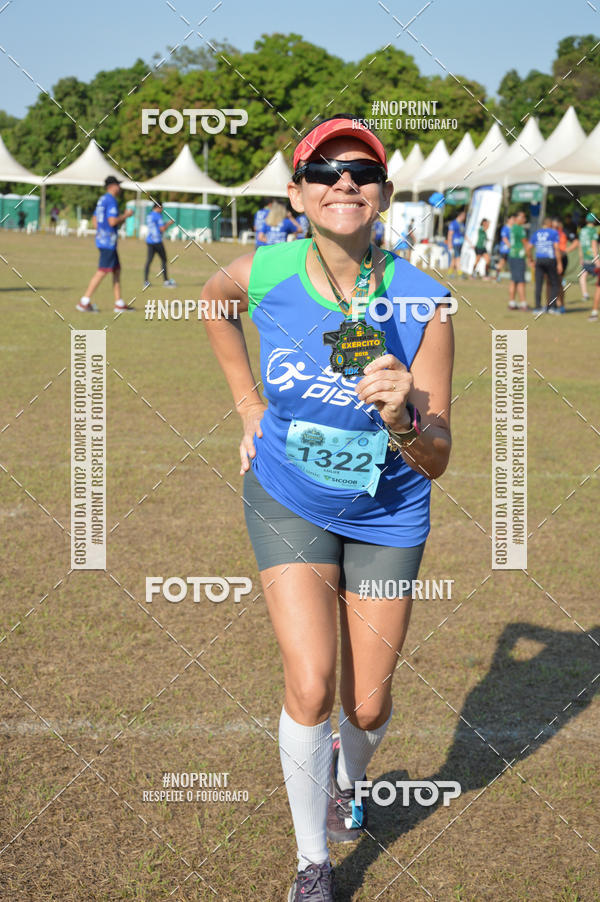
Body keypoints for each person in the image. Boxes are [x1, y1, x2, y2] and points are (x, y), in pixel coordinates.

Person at [201, 115, 454, 902]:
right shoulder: (265, 269)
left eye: (362, 170)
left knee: (366, 701)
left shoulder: (423, 299)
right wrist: (248, 407)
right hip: (289, 496)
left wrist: (404, 417)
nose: (344, 181)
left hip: (388, 510)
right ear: (296, 192)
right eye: (324, 169)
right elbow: (213, 305)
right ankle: (314, 864)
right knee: (310, 682)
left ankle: (350, 777)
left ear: (382, 193)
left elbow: (439, 456)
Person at [77, 175, 133, 313]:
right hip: (108, 242)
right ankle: (84, 301)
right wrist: (126, 215)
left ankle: (119, 302)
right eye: (118, 185)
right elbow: (112, 221)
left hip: (103, 240)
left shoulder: (101, 200)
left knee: (116, 270)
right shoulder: (111, 200)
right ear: (112, 186)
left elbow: (95, 219)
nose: (119, 188)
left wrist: (100, 232)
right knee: (102, 271)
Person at [528, 216, 563, 314]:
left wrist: (530, 259)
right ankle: (552, 307)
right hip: (550, 260)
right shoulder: (553, 233)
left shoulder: (536, 233)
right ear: (550, 224)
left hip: (539, 260)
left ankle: (537, 307)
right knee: (554, 284)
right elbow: (556, 248)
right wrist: (559, 263)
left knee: (538, 284)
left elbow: (528, 247)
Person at [143, 202, 175, 288]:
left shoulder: (149, 215)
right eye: (161, 208)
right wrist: (169, 223)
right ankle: (166, 281)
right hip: (157, 241)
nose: (162, 210)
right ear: (158, 207)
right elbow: (162, 229)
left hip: (150, 240)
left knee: (149, 261)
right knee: (164, 260)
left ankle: (145, 281)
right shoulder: (158, 215)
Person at [507, 210, 529, 311]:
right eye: (522, 217)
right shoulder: (520, 229)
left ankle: (512, 302)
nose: (524, 219)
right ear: (516, 218)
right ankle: (523, 303)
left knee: (513, 280)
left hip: (512, 255)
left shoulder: (512, 228)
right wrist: (530, 257)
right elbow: (525, 244)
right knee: (520, 281)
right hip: (518, 257)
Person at [575, 213, 599, 302]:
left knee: (583, 276)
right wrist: (596, 259)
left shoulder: (582, 230)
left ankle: (585, 294)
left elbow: (580, 245)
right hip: (592, 257)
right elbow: (594, 245)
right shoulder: (593, 230)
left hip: (585, 257)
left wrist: (581, 257)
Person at [446, 209, 465, 275]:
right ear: (460, 215)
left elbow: (463, 234)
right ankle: (459, 272)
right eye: (463, 215)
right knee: (457, 257)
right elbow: (450, 234)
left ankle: (450, 273)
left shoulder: (462, 224)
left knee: (454, 258)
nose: (464, 217)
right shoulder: (454, 223)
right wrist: (449, 243)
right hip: (454, 243)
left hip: (460, 243)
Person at [496, 214, 513, 283]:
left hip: (510, 249)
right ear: (508, 220)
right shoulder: (505, 228)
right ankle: (497, 276)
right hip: (505, 249)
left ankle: (513, 278)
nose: (513, 221)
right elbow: (504, 238)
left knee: (511, 263)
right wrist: (510, 246)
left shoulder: (513, 228)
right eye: (512, 219)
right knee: (502, 262)